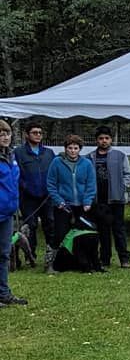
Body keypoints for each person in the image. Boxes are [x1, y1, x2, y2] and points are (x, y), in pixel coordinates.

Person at [46, 135, 96, 271]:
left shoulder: (87, 164)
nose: (73, 151)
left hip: (81, 206)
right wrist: (58, 201)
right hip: (63, 205)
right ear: (65, 149)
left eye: (76, 148)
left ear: (80, 149)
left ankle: (78, 262)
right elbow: (51, 184)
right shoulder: (57, 162)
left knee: (80, 235)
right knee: (60, 234)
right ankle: (51, 262)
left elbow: (91, 184)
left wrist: (87, 201)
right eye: (70, 148)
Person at [89, 126, 130, 269]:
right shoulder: (90, 157)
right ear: (96, 140)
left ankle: (124, 258)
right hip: (99, 200)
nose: (104, 141)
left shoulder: (120, 155)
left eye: (106, 138)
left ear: (111, 139)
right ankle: (104, 259)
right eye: (101, 138)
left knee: (118, 229)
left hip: (116, 199)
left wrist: (122, 187)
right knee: (103, 231)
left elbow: (127, 174)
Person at [13, 120, 55, 269]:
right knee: (29, 226)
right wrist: (25, 187)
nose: (38, 135)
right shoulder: (18, 152)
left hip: (47, 196)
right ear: (26, 135)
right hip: (28, 196)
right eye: (34, 132)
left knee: (50, 224)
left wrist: (52, 189)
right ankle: (31, 256)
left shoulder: (48, 153)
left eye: (40, 133)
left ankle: (52, 255)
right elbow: (16, 174)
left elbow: (54, 173)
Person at [0, 120, 27, 306]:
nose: (5, 137)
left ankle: (3, 293)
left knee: (4, 254)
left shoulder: (11, 156)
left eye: (7, 133)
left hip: (7, 213)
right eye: (1, 134)